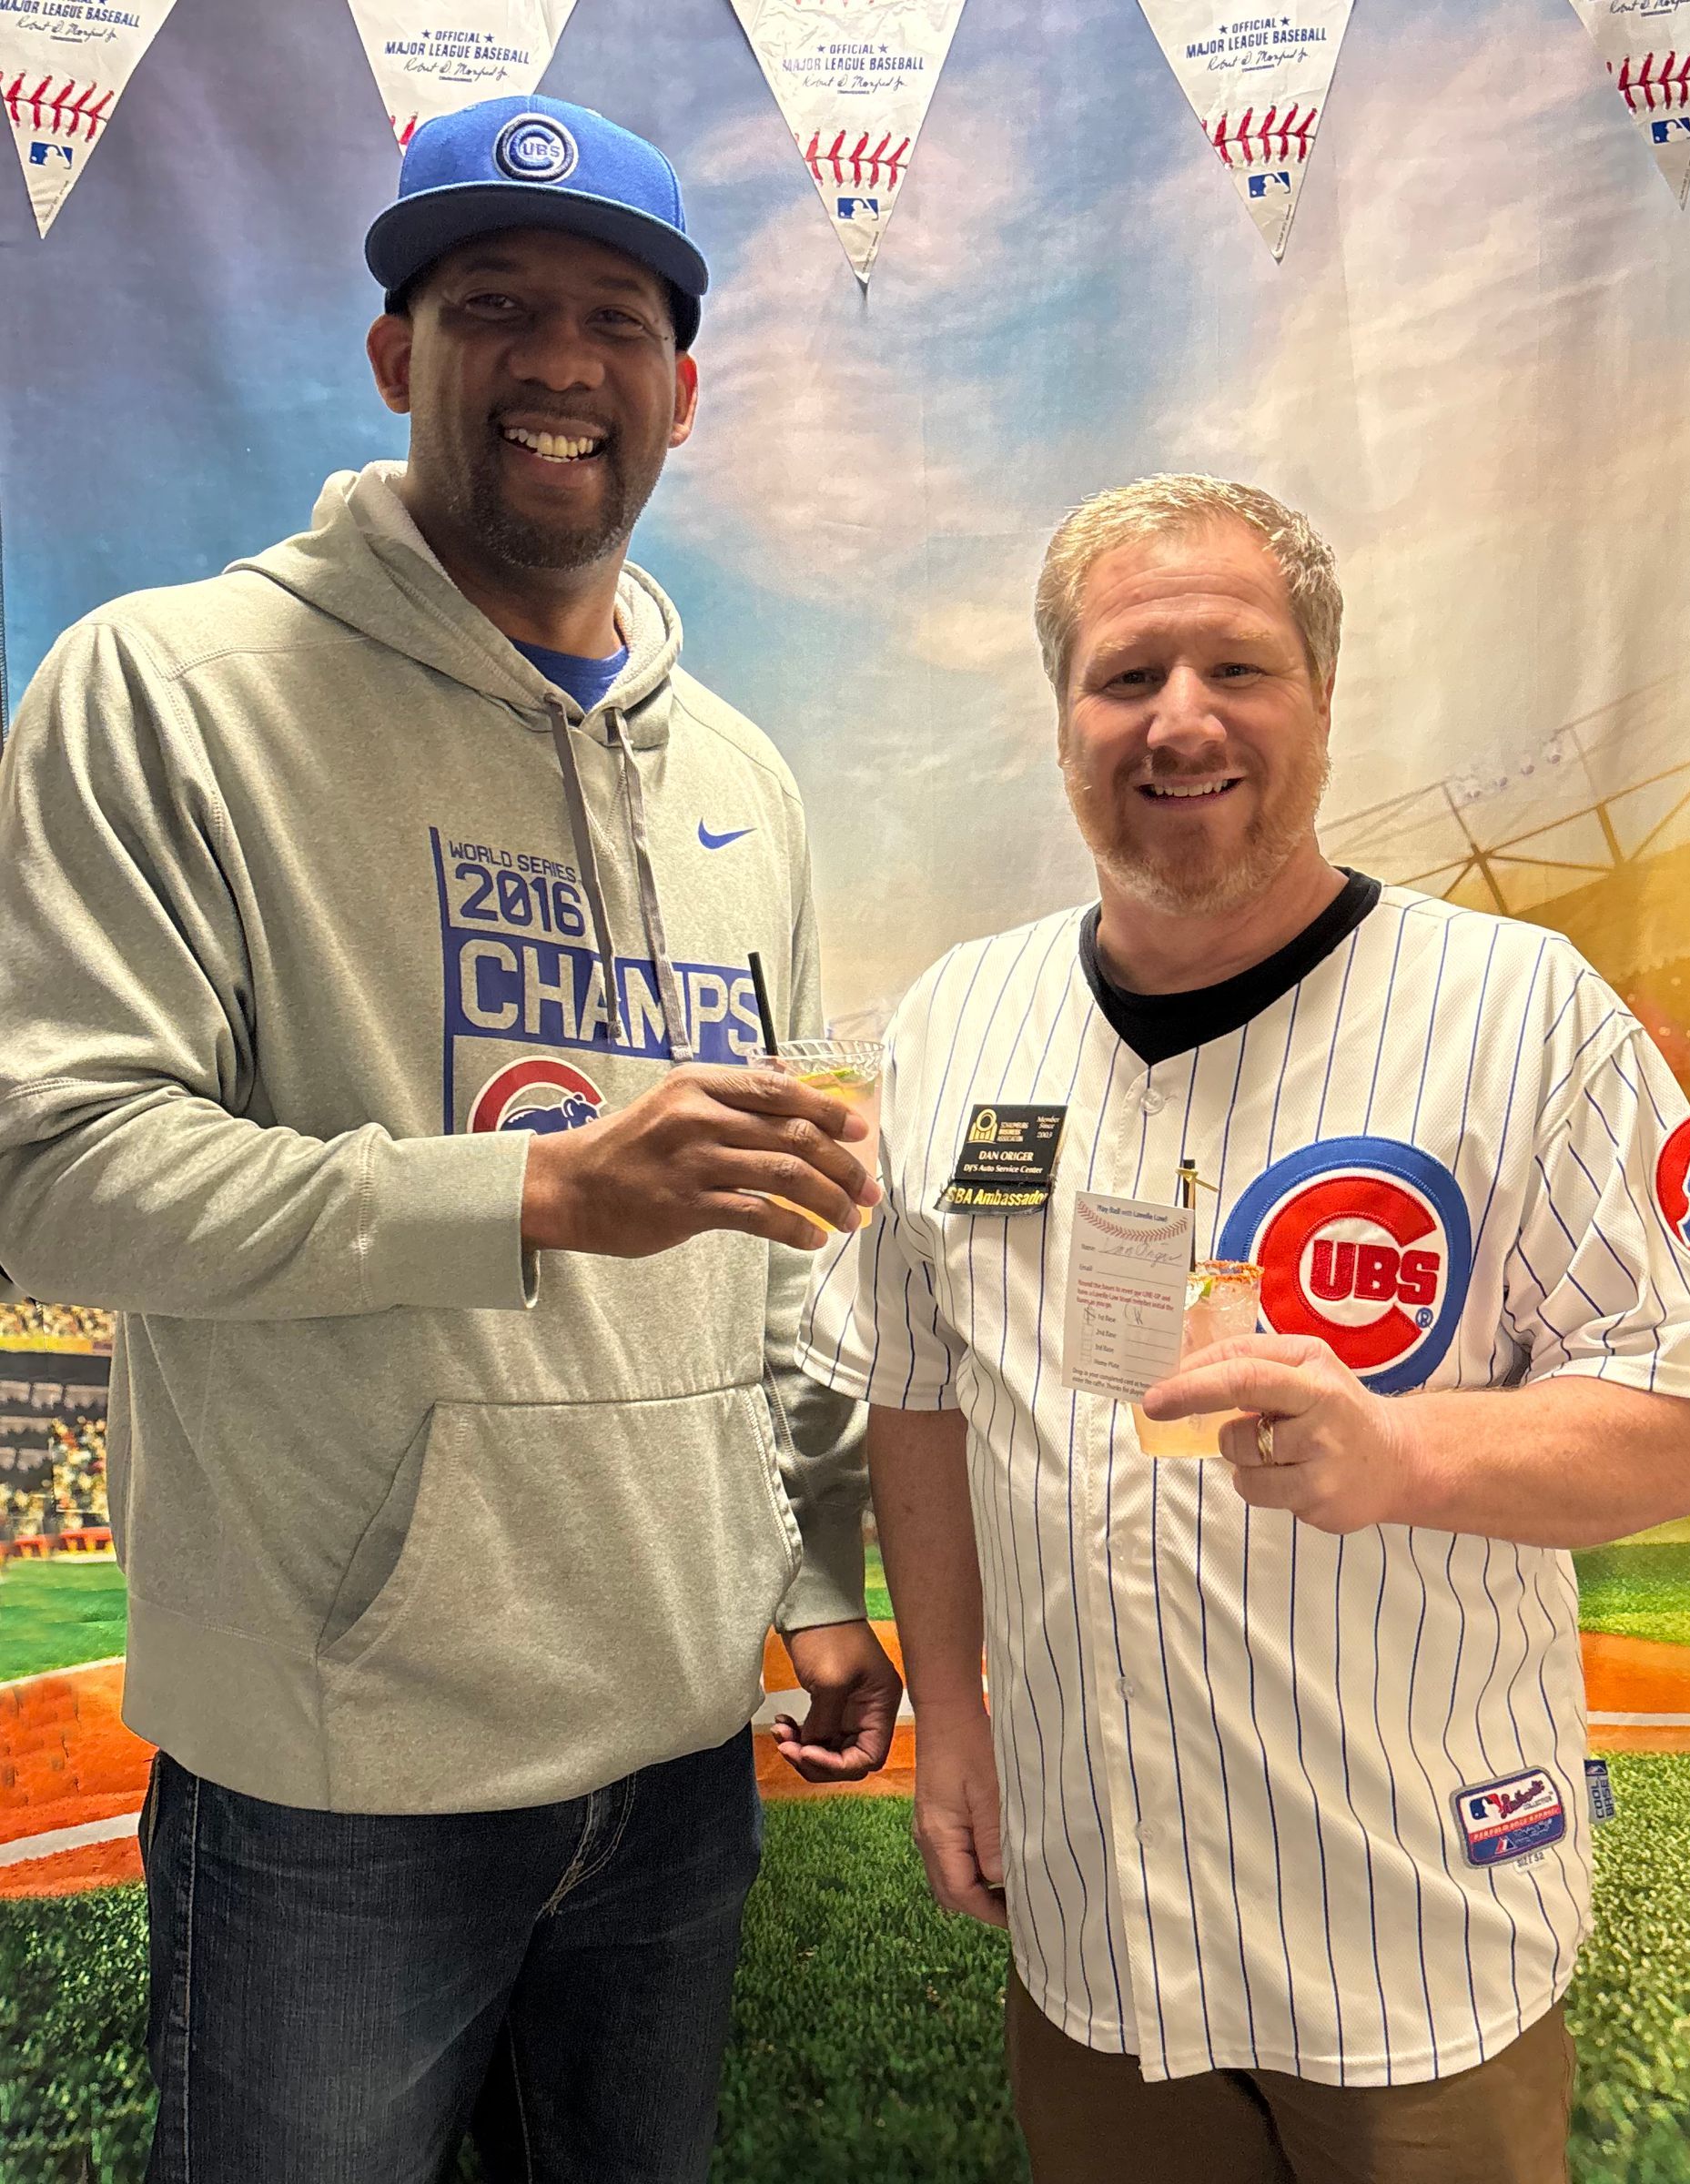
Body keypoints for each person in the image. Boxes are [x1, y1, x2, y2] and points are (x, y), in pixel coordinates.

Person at [0, 94, 902, 2184]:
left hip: (678, 1750)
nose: (560, 361)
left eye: (616, 318)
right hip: (340, 1775)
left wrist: (808, 1579)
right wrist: (538, 1190)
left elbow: (769, 1252)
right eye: (496, 305)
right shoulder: (167, 688)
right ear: (398, 354)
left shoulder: (745, 779)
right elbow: (51, 1172)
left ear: (681, 387)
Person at [796, 472, 1690, 2184]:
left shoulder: (1519, 1010)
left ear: (1320, 694)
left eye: (1236, 667)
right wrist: (954, 1716)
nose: (1180, 721)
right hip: (1090, 1926)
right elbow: (919, 1392)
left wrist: (1409, 1453)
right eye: (1125, 676)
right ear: (1064, 717)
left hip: (1414, 1933)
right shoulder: (954, 1021)